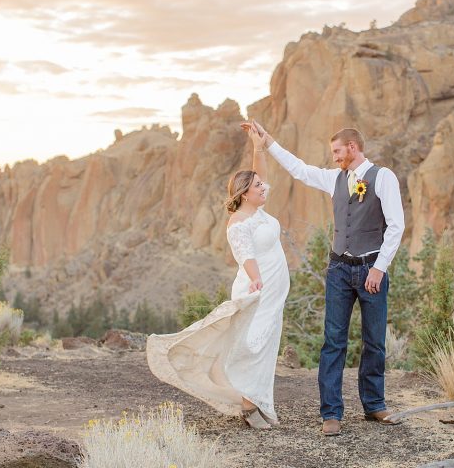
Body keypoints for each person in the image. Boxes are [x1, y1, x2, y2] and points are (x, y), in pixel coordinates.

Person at [245, 120, 405, 437]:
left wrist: (379, 267)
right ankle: (331, 413)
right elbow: (299, 169)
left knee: (374, 341)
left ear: (353, 148)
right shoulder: (334, 179)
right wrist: (268, 142)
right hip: (339, 270)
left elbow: (397, 226)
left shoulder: (383, 177)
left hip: (371, 268)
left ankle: (375, 405)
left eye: (336, 151)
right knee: (333, 341)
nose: (333, 157)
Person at [146, 123, 289, 430]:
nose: (264, 188)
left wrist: (257, 146)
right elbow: (245, 254)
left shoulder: (259, 210)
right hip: (257, 289)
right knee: (250, 343)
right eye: (258, 188)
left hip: (275, 291)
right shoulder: (239, 222)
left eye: (262, 186)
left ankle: (258, 402)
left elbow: (259, 172)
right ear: (245, 195)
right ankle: (247, 402)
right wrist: (256, 279)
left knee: (266, 345)